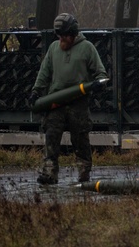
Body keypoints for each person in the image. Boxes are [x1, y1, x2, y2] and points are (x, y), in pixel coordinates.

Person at [29, 12, 108, 185]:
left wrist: (98, 84)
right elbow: (44, 72)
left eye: (64, 35)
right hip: (55, 102)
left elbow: (100, 72)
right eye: (59, 35)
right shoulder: (53, 48)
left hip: (78, 103)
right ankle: (49, 173)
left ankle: (84, 175)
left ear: (72, 33)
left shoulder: (87, 48)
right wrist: (36, 91)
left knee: (80, 140)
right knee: (51, 138)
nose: (61, 39)